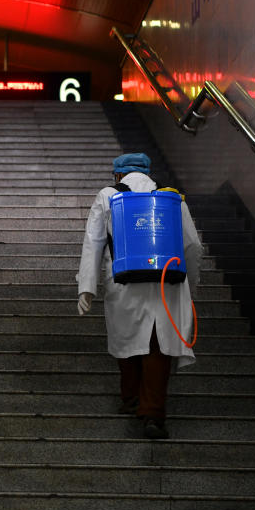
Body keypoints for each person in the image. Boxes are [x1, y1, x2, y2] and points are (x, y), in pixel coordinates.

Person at [76, 152, 201, 439]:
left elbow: (93, 242)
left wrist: (87, 287)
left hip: (123, 281)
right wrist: (189, 285)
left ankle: (131, 398)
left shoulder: (108, 195)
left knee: (128, 339)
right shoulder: (171, 198)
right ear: (148, 172)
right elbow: (193, 245)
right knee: (159, 346)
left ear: (118, 175)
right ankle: (153, 415)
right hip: (168, 282)